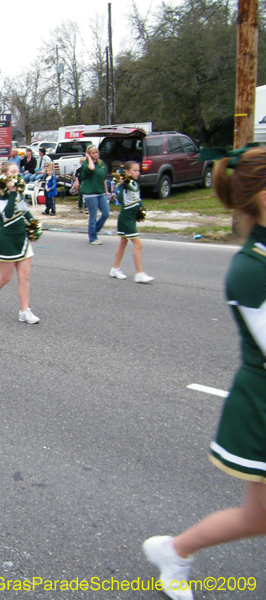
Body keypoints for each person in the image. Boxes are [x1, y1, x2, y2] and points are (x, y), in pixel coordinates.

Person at [143, 147, 266, 600]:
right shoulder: (251, 269)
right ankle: (176, 550)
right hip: (262, 404)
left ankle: (174, 550)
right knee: (259, 516)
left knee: (259, 516)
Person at [0, 161, 40, 324]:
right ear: (4, 175)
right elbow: (8, 214)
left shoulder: (18, 193)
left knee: (24, 276)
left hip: (22, 238)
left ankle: (24, 311)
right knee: (5, 278)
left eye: (18, 172)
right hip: (6, 240)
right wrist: (12, 192)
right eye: (12, 172)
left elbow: (24, 210)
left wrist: (34, 224)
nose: (16, 175)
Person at [109, 162, 154, 283]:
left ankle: (115, 269)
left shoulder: (134, 183)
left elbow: (138, 199)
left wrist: (141, 210)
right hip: (126, 217)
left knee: (123, 242)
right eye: (134, 170)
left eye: (138, 170)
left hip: (131, 217)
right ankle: (139, 273)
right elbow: (119, 198)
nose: (137, 173)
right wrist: (122, 178)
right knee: (138, 245)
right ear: (127, 172)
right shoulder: (124, 183)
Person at [78, 145, 111, 244]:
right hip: (90, 193)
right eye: (93, 153)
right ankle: (92, 238)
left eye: (96, 152)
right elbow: (91, 168)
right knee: (93, 216)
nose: (96, 154)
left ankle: (94, 230)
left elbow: (103, 178)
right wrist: (88, 158)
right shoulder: (86, 164)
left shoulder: (101, 163)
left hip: (100, 192)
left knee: (106, 213)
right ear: (89, 154)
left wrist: (106, 190)